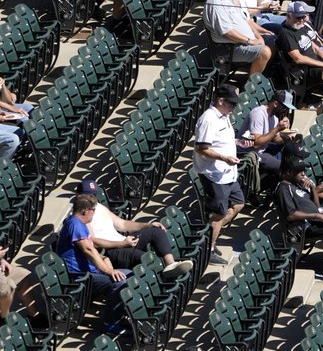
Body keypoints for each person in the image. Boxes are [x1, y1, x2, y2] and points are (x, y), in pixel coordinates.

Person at [74, 178, 193, 275]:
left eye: (93, 195)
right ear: (79, 196)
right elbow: (93, 242)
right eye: (89, 196)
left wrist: (147, 225)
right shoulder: (82, 215)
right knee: (143, 257)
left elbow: (123, 224)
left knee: (156, 230)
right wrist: (122, 244)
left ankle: (171, 264)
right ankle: (162, 278)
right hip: (111, 250)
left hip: (123, 242)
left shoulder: (99, 207)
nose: (92, 199)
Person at [53, 193, 129, 328]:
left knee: (129, 274)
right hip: (80, 276)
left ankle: (124, 313)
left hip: (90, 272)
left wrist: (105, 262)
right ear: (85, 211)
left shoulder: (79, 224)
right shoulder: (75, 225)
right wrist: (109, 271)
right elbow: (88, 250)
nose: (94, 213)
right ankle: (110, 323)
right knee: (119, 283)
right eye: (94, 210)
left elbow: (93, 252)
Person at [193, 85, 246, 265]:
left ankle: (209, 235)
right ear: (221, 100)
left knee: (238, 203)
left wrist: (241, 142)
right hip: (214, 174)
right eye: (231, 103)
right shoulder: (209, 119)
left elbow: (224, 141)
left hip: (228, 173)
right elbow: (202, 148)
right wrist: (224, 157)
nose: (234, 107)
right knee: (218, 213)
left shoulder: (225, 116)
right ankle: (208, 249)